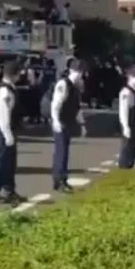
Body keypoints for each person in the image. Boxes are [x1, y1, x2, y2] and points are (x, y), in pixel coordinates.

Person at [48, 60, 84, 193]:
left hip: (68, 122)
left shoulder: (75, 86)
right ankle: (59, 179)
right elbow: (55, 104)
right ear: (72, 71)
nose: (80, 75)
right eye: (78, 71)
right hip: (61, 122)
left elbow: (77, 107)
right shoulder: (63, 84)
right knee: (61, 151)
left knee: (64, 151)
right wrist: (56, 121)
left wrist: (82, 124)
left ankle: (61, 179)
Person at [0, 60, 23, 203]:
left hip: (10, 129)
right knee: (0, 161)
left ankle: (8, 189)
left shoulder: (9, 88)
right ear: (13, 74)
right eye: (18, 73)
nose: (20, 75)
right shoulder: (4, 91)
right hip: (4, 129)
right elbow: (4, 114)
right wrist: (7, 134)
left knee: (10, 162)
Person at [117, 67, 135, 169]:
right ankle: (124, 166)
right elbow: (123, 111)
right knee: (127, 148)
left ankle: (129, 165)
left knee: (133, 147)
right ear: (129, 77)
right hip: (130, 123)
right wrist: (125, 127)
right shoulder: (126, 92)